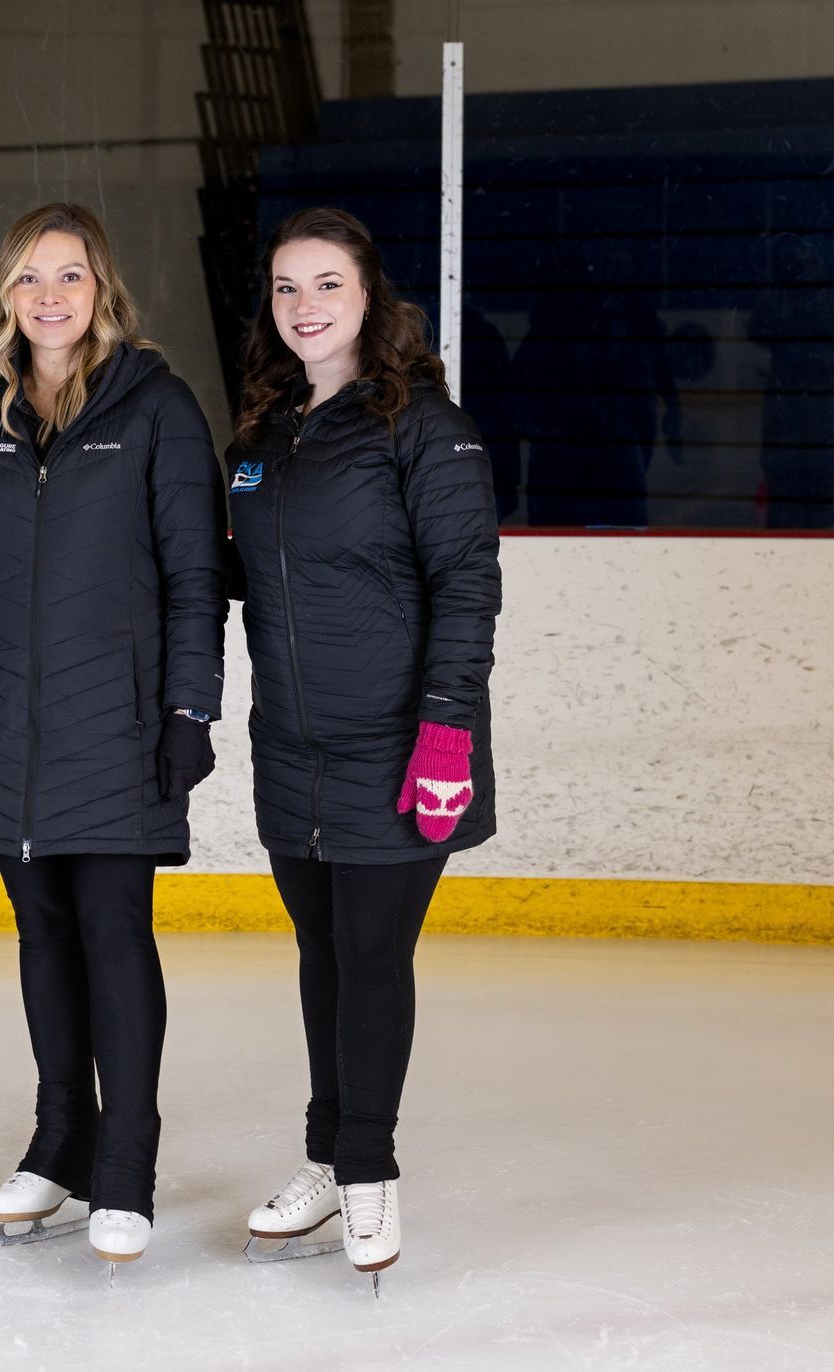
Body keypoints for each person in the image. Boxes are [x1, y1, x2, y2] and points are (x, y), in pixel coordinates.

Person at [0, 203, 227, 1270]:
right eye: (32, 277)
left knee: (112, 929)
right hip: (0, 720)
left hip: (121, 719)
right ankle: (62, 1138)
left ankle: (124, 1159)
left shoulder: (158, 408)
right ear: (6, 292)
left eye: (72, 276)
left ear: (104, 291)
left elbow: (195, 576)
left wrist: (191, 708)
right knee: (41, 932)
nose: (51, 295)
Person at [225, 207, 501, 1285]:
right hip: (292, 745)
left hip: (400, 743)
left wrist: (444, 727)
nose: (305, 306)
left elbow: (468, 584)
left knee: (373, 956)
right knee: (323, 954)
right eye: (287, 287)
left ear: (370, 296)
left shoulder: (426, 427)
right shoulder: (260, 433)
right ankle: (331, 1155)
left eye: (327, 284)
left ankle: (371, 1169)